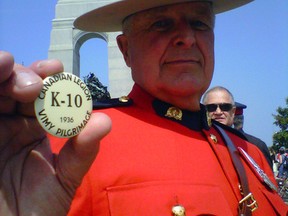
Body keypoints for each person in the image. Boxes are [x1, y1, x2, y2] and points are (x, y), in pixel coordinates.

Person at [0, 1, 287, 216]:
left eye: (200, 23)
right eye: (161, 24)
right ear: (125, 50)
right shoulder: (68, 150)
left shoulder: (249, 154)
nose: (187, 37)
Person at [202, 86, 273, 169]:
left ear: (233, 111)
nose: (218, 112)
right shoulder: (196, 143)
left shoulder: (255, 146)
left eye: (225, 107)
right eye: (211, 107)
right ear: (203, 110)